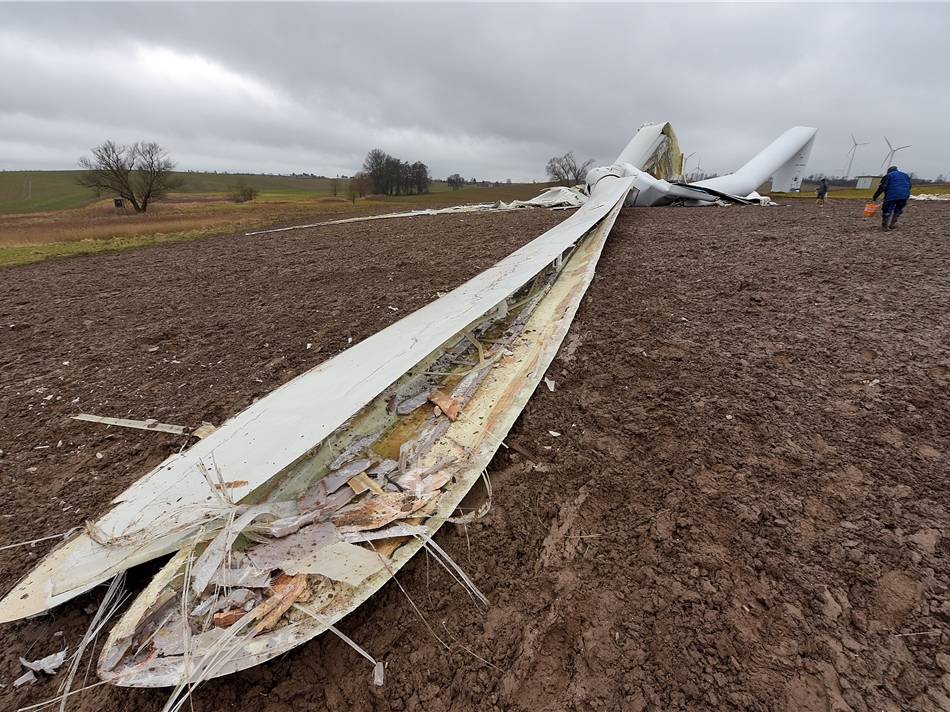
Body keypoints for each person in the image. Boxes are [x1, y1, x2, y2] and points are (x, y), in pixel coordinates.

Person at [873, 165, 912, 231]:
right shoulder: (905, 175)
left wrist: (875, 196)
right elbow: (909, 186)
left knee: (887, 209)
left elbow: (882, 187)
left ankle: (885, 226)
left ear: (889, 171)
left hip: (892, 195)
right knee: (898, 209)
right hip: (904, 195)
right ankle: (892, 224)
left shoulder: (888, 176)